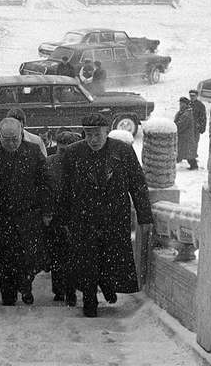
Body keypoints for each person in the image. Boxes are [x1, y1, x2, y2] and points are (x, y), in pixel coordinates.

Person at [60, 113, 153, 317]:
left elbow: (137, 184)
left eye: (98, 135)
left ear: (106, 132)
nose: (93, 140)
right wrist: (64, 218)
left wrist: (144, 215)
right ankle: (89, 299)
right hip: (84, 218)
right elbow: (64, 189)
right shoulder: (73, 153)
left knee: (112, 257)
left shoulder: (122, 151)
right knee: (87, 260)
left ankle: (109, 285)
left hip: (115, 216)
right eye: (89, 135)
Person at [0, 118, 52, 306]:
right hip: (2, 218)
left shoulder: (33, 152)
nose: (11, 143)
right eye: (6, 139)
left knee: (28, 259)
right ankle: (8, 296)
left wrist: (47, 210)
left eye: (14, 138)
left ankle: (25, 286)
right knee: (5, 260)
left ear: (21, 133)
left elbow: (45, 183)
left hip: (28, 216)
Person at [45, 130, 81, 303]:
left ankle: (72, 291)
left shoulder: (82, 164)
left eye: (68, 151)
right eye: (61, 150)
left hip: (77, 217)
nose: (64, 155)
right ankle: (59, 291)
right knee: (57, 257)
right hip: (55, 217)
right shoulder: (49, 163)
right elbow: (42, 189)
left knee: (74, 258)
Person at [174, 96, 198, 170]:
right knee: (185, 151)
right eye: (180, 104)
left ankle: (194, 166)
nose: (180, 105)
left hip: (186, 137)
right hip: (184, 137)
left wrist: (175, 128)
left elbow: (181, 125)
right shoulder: (183, 112)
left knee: (188, 152)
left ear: (186, 104)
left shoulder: (186, 114)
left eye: (182, 104)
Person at [189, 89, 207, 161]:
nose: (192, 97)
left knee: (195, 141)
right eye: (190, 96)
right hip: (188, 127)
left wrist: (203, 127)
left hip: (196, 126)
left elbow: (203, 117)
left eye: (193, 96)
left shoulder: (200, 105)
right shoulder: (188, 103)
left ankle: (193, 156)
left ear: (197, 96)